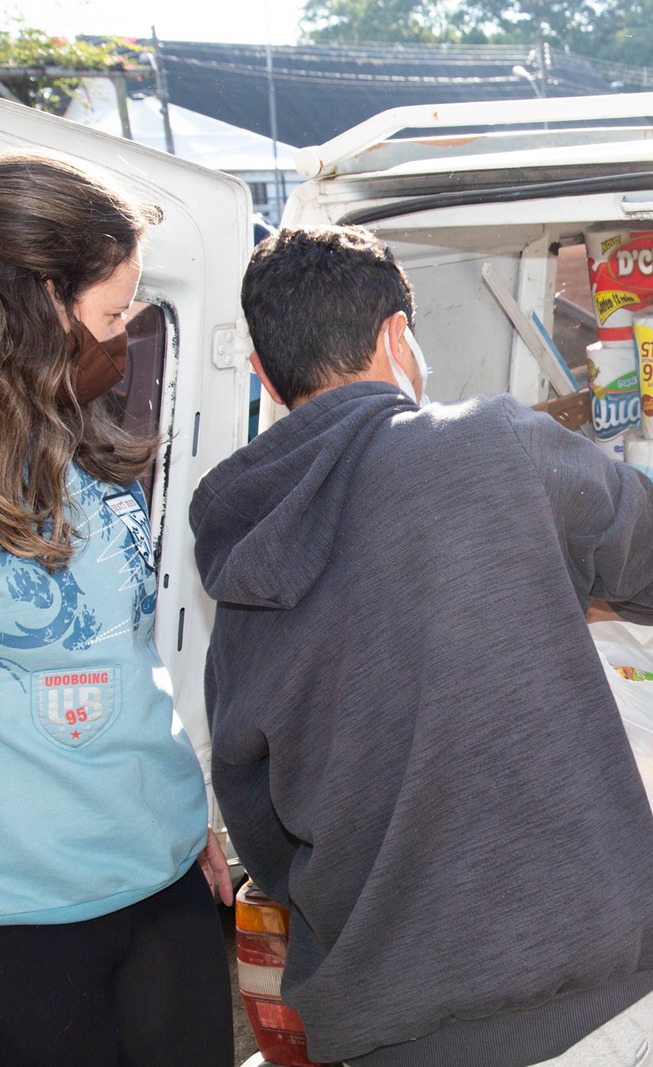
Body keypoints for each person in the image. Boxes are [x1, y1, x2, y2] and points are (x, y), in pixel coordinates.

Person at [190, 225, 653, 1067]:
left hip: (387, 1040)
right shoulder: (494, 445)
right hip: (596, 1025)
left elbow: (262, 837)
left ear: (263, 375)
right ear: (399, 338)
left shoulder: (241, 582)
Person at [0, 151, 234, 1066]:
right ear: (38, 306)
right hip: (28, 911)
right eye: (108, 314)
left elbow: (130, 651)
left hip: (160, 869)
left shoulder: (83, 445)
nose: (124, 336)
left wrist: (185, 814)